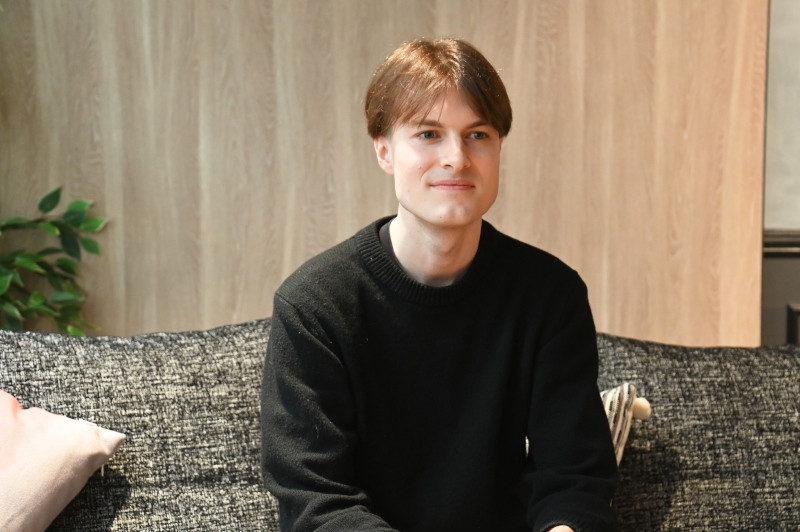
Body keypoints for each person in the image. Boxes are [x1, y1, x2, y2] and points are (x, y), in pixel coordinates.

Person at [261, 38, 618, 531]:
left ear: (499, 147)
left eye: (478, 135)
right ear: (384, 150)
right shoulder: (314, 305)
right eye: (428, 134)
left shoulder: (550, 296)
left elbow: (574, 479)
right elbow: (315, 501)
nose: (457, 158)